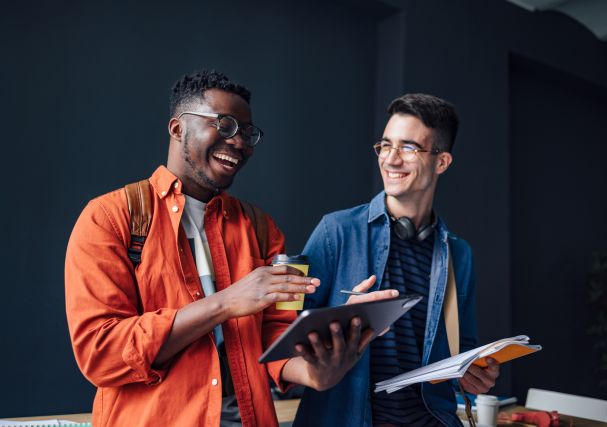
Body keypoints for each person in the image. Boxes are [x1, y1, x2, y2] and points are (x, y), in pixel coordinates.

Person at [65, 70, 394, 427]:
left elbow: (277, 339)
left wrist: (327, 354)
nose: (240, 143)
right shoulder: (110, 217)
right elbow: (100, 354)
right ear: (177, 129)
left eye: (248, 133)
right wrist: (225, 302)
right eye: (225, 126)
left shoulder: (262, 229)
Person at [293, 93, 500, 427]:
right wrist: (344, 321)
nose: (390, 159)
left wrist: (475, 373)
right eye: (385, 145)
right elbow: (289, 336)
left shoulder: (459, 255)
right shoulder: (336, 231)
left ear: (442, 162)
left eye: (408, 147)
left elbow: (465, 348)